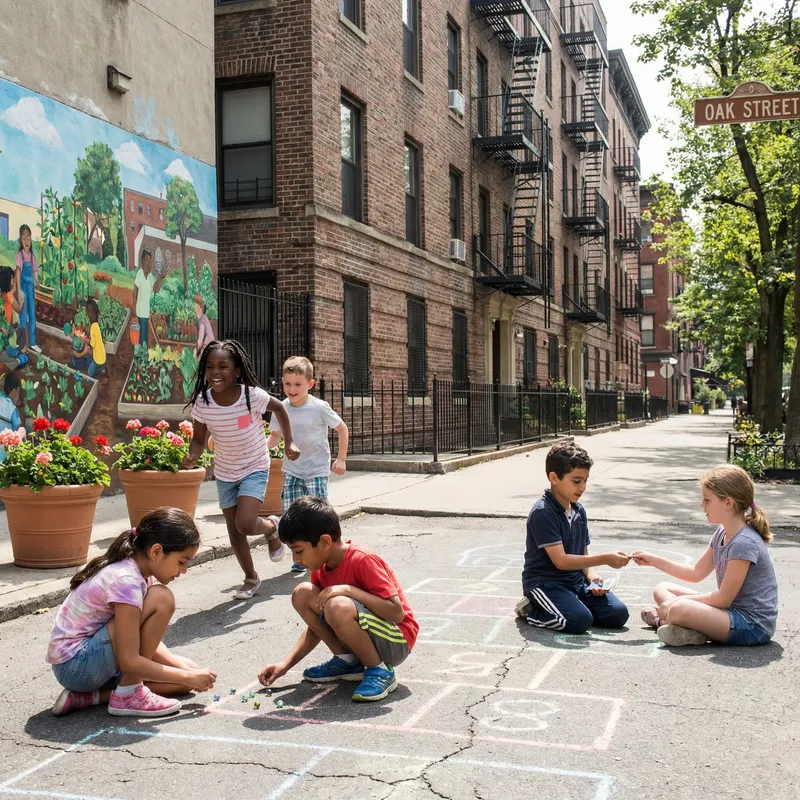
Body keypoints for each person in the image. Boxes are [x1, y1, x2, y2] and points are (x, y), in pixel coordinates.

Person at [47, 507, 217, 717]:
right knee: (163, 599)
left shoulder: (143, 574)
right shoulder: (127, 580)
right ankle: (128, 694)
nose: (183, 571)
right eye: (182, 562)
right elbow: (129, 660)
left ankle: (94, 697)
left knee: (184, 677)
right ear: (156, 551)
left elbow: (144, 640)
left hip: (90, 663)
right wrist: (186, 676)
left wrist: (187, 674)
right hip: (76, 664)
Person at [257, 496, 419, 702]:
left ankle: (379, 671)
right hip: (367, 633)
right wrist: (285, 665)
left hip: (397, 640)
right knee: (303, 593)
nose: (296, 559)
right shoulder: (321, 568)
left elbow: (396, 613)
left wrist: (349, 590)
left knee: (336, 604)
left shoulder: (363, 559)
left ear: (324, 542)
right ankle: (348, 661)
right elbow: (317, 626)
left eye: (298, 551)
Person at [183, 339, 300, 600]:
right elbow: (200, 440)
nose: (216, 372)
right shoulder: (203, 403)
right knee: (234, 531)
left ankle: (271, 527)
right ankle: (250, 577)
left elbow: (280, 407)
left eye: (223, 366)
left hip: (255, 465)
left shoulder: (251, 396)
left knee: (245, 523)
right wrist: (192, 456)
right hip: (225, 472)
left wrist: (288, 441)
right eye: (210, 366)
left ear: (237, 370)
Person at [633, 465, 778, 647]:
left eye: (707, 500)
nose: (702, 505)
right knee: (662, 589)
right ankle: (688, 628)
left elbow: (723, 599)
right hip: (728, 612)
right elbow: (695, 573)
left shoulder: (744, 542)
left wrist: (679, 601)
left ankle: (666, 621)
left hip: (752, 625)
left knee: (678, 607)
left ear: (728, 503)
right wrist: (654, 560)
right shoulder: (722, 532)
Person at [515, 442, 630, 633]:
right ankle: (533, 611)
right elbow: (560, 561)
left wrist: (593, 577)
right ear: (554, 478)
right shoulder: (543, 512)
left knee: (618, 614)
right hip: (546, 583)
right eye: (576, 481)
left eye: (585, 480)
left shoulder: (578, 510)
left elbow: (583, 553)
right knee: (579, 621)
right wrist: (606, 559)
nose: (582, 487)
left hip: (576, 582)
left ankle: (570, 607)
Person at [267, 356, 349, 573]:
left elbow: (342, 429)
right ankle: (300, 556)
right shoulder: (280, 408)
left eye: (297, 384)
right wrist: (262, 451)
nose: (292, 389)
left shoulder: (319, 407)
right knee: (290, 515)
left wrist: (341, 459)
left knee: (317, 515)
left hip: (316, 469)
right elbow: (275, 436)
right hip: (292, 469)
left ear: (310, 384)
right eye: (287, 384)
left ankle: (327, 553)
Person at [15, 224, 40, 353]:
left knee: (32, 315)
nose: (26, 241)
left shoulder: (33, 257)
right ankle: (22, 343)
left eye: (28, 238)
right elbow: (18, 273)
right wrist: (19, 291)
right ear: (20, 240)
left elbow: (35, 273)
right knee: (23, 316)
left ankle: (33, 342)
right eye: (24, 238)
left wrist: (38, 283)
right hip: (23, 289)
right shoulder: (20, 255)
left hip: (31, 290)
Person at [133, 249, 163, 348]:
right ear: (142, 261)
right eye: (146, 260)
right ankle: (139, 357)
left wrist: (160, 278)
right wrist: (134, 310)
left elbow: (156, 289)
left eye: (150, 260)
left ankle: (142, 357)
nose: (149, 263)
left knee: (144, 338)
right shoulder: (140, 274)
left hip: (146, 314)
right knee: (139, 338)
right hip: (139, 313)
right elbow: (135, 292)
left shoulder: (150, 277)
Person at [71, 299, 106, 378]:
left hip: (96, 358)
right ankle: (99, 368)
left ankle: (98, 369)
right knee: (88, 364)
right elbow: (75, 354)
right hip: (79, 361)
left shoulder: (93, 327)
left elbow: (92, 346)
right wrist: (85, 351)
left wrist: (88, 344)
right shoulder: (76, 341)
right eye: (77, 329)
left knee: (90, 371)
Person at [0, 372, 23, 463]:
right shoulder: (11, 408)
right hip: (3, 457)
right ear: (14, 390)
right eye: (19, 392)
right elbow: (17, 430)